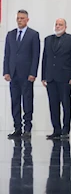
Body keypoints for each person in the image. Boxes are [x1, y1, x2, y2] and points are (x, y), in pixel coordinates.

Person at [3, 9, 40, 139]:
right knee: (15, 101)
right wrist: (6, 71)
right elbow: (7, 54)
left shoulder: (33, 34)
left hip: (26, 74)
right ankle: (17, 128)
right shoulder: (10, 34)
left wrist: (33, 73)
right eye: (18, 18)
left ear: (27, 20)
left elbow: (36, 55)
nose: (20, 20)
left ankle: (27, 128)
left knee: (27, 101)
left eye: (22, 18)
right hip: (13, 74)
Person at [42, 19, 71, 140]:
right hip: (51, 77)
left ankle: (65, 130)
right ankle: (56, 129)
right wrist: (43, 76)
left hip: (65, 77)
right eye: (56, 24)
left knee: (66, 104)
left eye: (60, 24)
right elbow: (45, 58)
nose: (57, 26)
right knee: (53, 104)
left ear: (66, 26)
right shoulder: (48, 39)